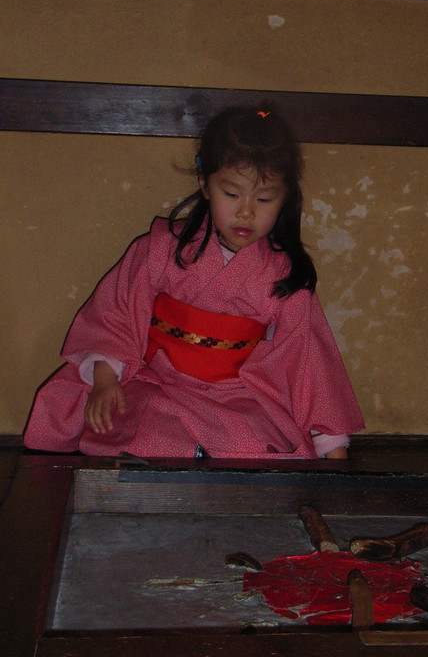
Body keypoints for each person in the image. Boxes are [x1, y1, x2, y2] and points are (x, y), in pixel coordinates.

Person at [24, 106, 365, 459]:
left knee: (249, 448)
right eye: (231, 194)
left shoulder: (284, 276)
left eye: (264, 199)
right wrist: (105, 379)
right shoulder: (160, 249)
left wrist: (332, 448)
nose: (246, 211)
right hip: (159, 383)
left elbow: (308, 363)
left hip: (234, 396)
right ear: (205, 184)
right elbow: (115, 316)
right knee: (146, 436)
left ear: (285, 197)